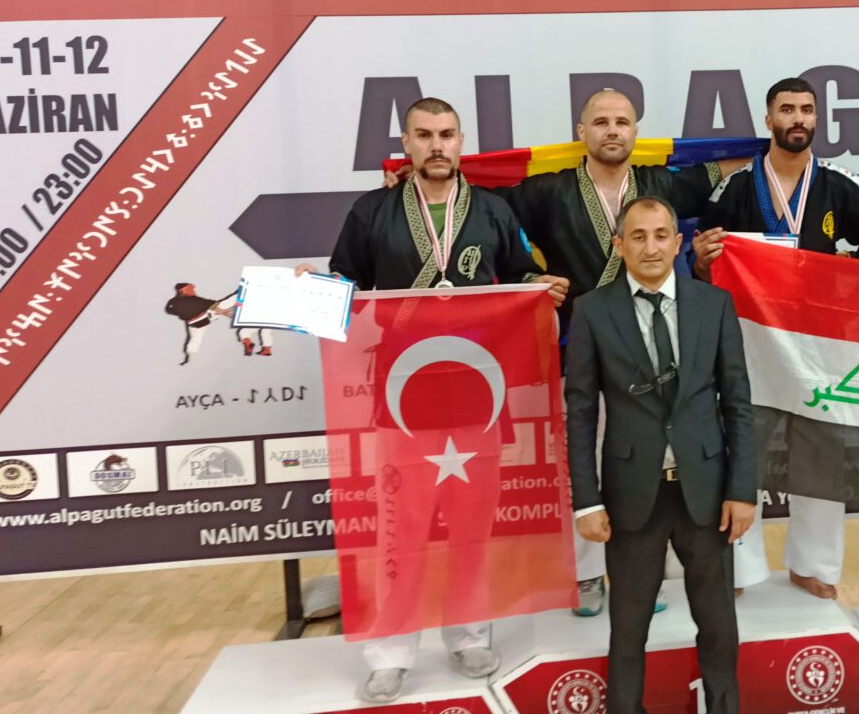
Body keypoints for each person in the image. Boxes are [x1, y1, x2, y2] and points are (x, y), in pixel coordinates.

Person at [386, 88, 742, 616]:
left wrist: (765, 151)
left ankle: (640, 572)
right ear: (582, 132)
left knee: (647, 458)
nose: (612, 130)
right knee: (585, 458)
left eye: (622, 121)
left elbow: (723, 174)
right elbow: (474, 203)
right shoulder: (548, 190)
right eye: (601, 122)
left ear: (635, 131)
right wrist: (409, 179)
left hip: (656, 347)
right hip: (582, 345)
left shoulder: (660, 183)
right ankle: (588, 574)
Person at [297, 97, 567, 703]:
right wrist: (311, 289)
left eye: (447, 134)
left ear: (461, 140)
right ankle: (390, 651)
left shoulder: (492, 210)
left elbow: (518, 274)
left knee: (473, 528)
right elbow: (346, 285)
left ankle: (469, 636)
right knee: (402, 531)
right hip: (404, 398)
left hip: (478, 396)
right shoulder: (372, 212)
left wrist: (539, 287)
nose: (437, 145)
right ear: (407, 144)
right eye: (424, 135)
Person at [693, 76, 859, 598]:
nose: (798, 119)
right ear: (769, 120)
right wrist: (701, 261)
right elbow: (704, 270)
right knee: (740, 446)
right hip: (749, 341)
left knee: (820, 452)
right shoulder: (734, 189)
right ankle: (739, 567)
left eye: (807, 109)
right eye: (787, 109)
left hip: (821, 345)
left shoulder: (847, 188)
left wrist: (847, 287)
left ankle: (813, 565)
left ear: (817, 118)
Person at [566, 195, 755, 714]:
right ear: (619, 245)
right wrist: (587, 501)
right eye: (638, 236)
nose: (650, 247)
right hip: (632, 496)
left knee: (718, 624)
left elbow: (738, 403)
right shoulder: (592, 310)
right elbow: (580, 413)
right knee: (628, 628)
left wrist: (742, 488)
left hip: (707, 494)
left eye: (660, 235)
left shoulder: (714, 305)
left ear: (677, 242)